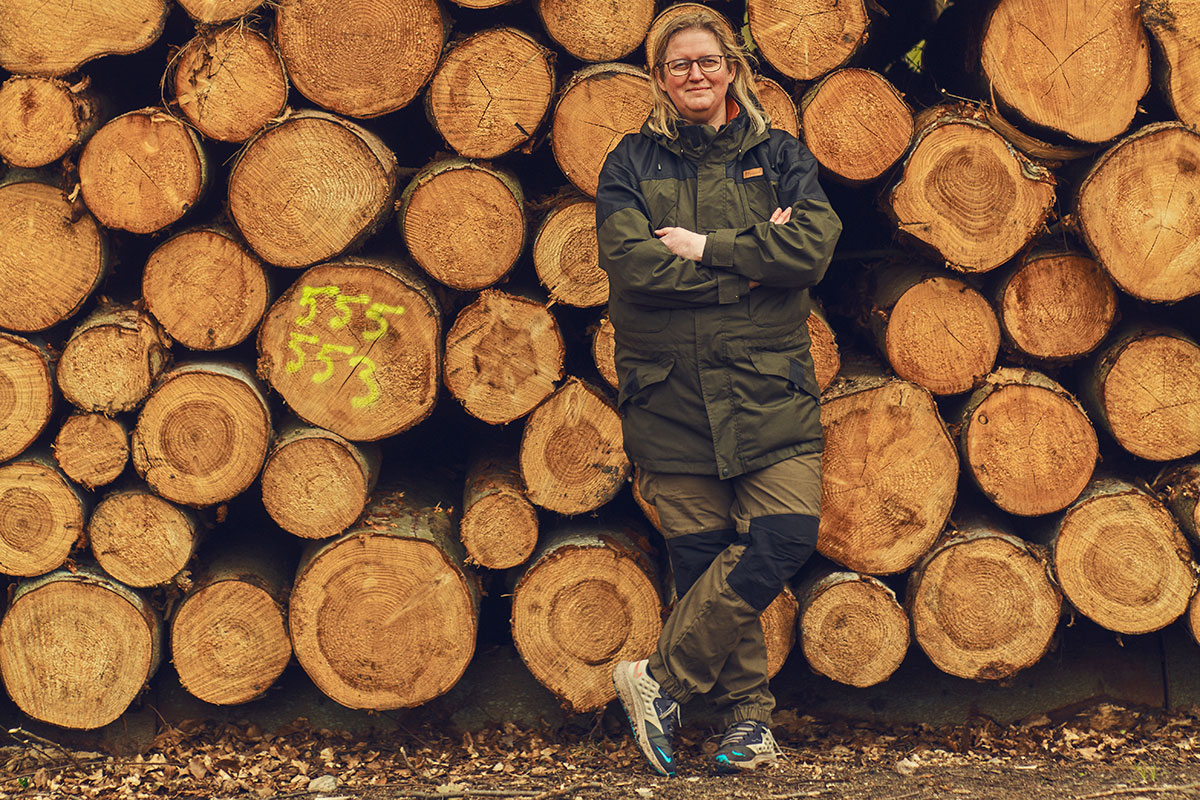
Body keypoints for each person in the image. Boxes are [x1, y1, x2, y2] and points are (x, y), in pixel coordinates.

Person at [595, 10, 842, 777]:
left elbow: (812, 248)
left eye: (707, 60)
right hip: (670, 397)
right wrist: (751, 273)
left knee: (783, 537)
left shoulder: (780, 156)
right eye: (679, 64)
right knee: (705, 565)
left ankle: (659, 681)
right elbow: (634, 269)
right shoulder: (629, 164)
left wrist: (706, 248)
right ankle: (748, 724)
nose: (695, 74)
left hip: (769, 390)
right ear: (660, 78)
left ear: (731, 67)